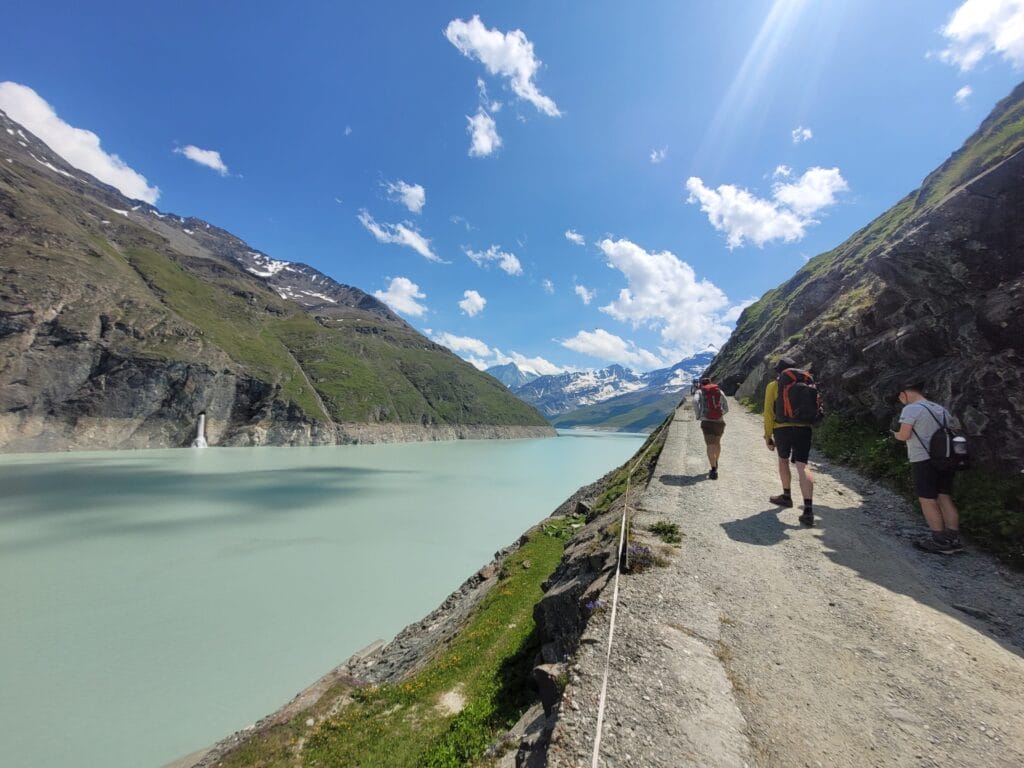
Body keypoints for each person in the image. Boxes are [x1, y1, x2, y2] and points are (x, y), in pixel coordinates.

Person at [892, 383, 963, 554]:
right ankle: (953, 537)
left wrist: (894, 434)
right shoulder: (940, 409)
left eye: (900, 397)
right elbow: (955, 428)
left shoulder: (912, 409)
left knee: (927, 499)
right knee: (944, 497)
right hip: (946, 459)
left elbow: (904, 435)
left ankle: (939, 540)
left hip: (923, 459)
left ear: (905, 393)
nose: (901, 401)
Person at [764, 357, 815, 525]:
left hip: (782, 428)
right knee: (803, 465)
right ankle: (808, 509)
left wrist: (768, 436)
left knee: (783, 460)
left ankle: (786, 496)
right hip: (804, 427)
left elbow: (769, 413)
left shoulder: (773, 386)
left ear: (779, 371)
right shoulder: (807, 383)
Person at [695, 376, 728, 479]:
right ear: (711, 382)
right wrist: (720, 414)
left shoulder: (700, 392)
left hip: (707, 422)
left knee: (710, 445)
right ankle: (716, 462)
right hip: (719, 421)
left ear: (701, 384)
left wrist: (699, 415)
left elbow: (695, 402)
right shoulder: (719, 391)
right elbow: (726, 406)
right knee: (717, 443)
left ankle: (713, 470)